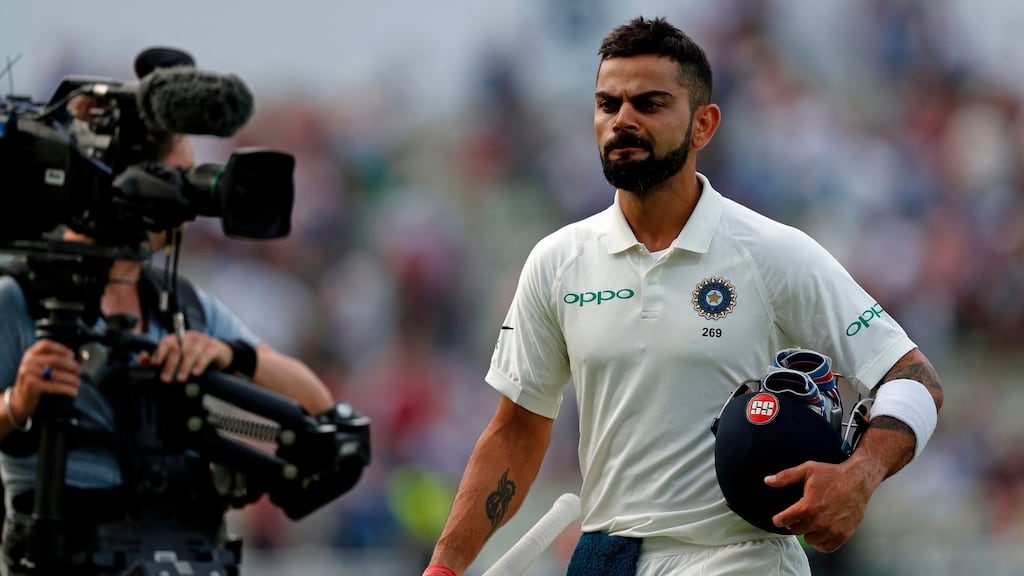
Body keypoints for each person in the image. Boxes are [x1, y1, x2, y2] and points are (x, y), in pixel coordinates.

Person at [423, 16, 943, 576]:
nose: (622, 120)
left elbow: (915, 379)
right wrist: (445, 568)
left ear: (703, 125)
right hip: (607, 558)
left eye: (649, 104)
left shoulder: (771, 251)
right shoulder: (558, 262)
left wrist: (859, 476)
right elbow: (517, 431)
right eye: (607, 104)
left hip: (738, 559)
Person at [0, 123, 335, 574]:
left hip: (190, 551)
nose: (189, 200)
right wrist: (15, 406)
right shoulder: (20, 297)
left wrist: (230, 353)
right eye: (177, 177)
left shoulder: (182, 302)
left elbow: (316, 400)